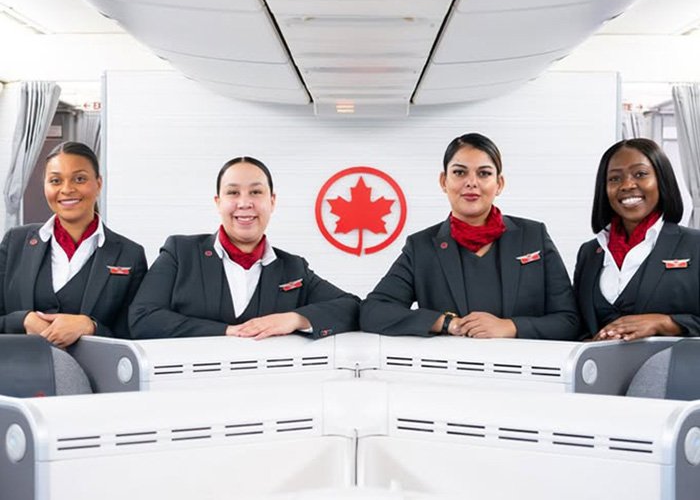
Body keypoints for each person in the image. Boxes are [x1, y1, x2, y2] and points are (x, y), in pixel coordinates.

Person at [360, 133, 580, 339]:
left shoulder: (533, 237)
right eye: (459, 172)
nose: (471, 182)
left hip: (527, 374)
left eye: (484, 173)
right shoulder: (421, 247)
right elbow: (373, 312)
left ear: (499, 184)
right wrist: (446, 323)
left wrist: (509, 326)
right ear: (443, 181)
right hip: (451, 374)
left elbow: (569, 320)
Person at [129, 156, 359, 339]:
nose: (245, 203)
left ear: (272, 201)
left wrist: (295, 319)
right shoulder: (181, 252)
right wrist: (227, 331)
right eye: (233, 192)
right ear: (218, 202)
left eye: (256, 192)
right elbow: (143, 318)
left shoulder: (293, 268)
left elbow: (352, 307)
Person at [0, 142, 147, 347]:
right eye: (55, 181)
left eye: (80, 179)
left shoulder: (129, 255)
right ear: (45, 186)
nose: (67, 189)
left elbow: (137, 332)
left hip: (94, 376)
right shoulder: (15, 243)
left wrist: (91, 326)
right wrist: (21, 320)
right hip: (21, 373)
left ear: (98, 183)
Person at [574, 138, 700, 341]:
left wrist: (665, 323)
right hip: (600, 371)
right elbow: (577, 325)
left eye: (640, 174)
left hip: (676, 371)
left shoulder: (695, 245)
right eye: (614, 179)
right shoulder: (589, 253)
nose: (627, 185)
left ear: (661, 180)